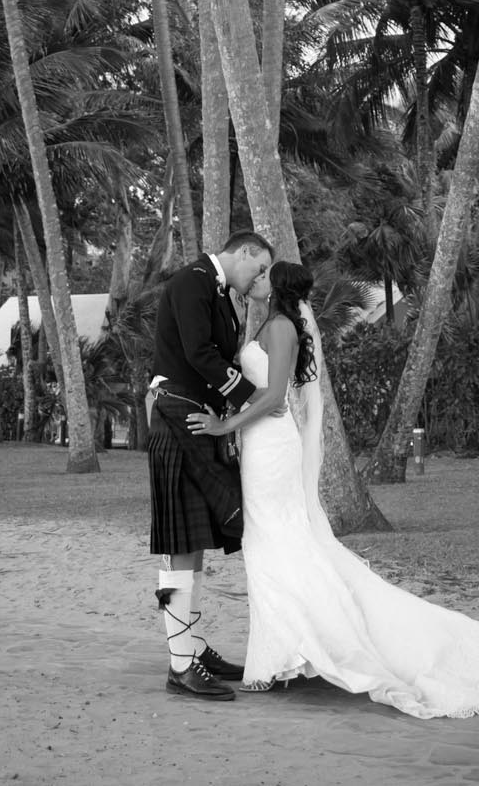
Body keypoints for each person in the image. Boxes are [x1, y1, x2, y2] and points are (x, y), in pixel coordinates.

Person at [188, 260, 479, 718]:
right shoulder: (269, 322)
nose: (258, 277)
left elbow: (272, 398)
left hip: (271, 447)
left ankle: (274, 661)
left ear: (279, 287)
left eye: (265, 273)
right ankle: (278, 654)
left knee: (272, 543)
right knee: (268, 543)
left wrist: (222, 425)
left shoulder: (283, 327)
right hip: (258, 447)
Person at [146, 227, 273, 701]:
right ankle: (181, 666)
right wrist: (252, 399)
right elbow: (200, 354)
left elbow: (214, 353)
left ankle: (192, 648)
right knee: (182, 542)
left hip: (195, 417)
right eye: (259, 267)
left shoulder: (217, 291)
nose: (260, 277)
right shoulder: (192, 282)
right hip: (179, 415)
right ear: (243, 252)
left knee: (194, 540)